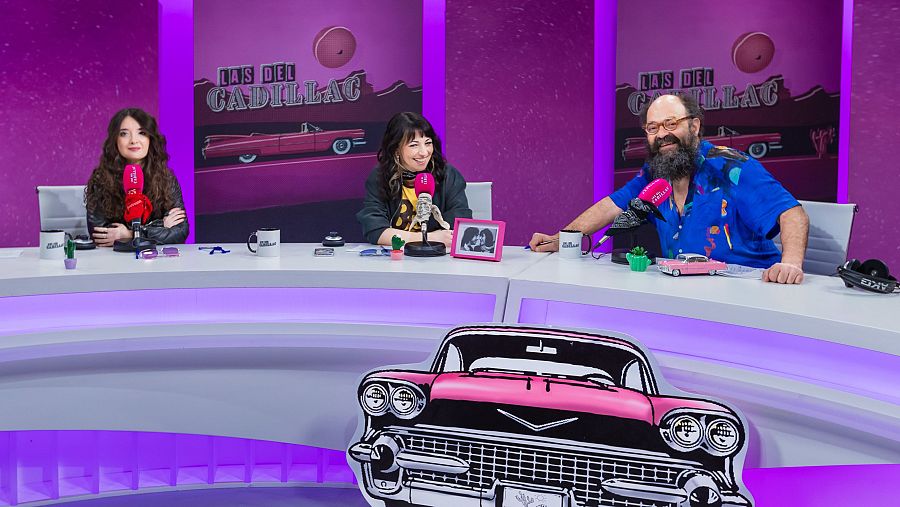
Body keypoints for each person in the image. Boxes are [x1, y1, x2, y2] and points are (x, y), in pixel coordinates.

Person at [530, 93, 809, 284]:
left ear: (695, 126)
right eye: (652, 128)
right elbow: (610, 206)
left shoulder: (731, 167)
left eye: (671, 124)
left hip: (746, 294)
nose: (662, 134)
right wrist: (562, 239)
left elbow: (792, 214)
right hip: (684, 295)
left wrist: (791, 265)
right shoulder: (654, 174)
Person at [357, 112, 472, 246]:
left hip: (439, 259)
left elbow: (459, 227)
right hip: (396, 260)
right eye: (414, 145)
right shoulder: (380, 176)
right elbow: (376, 231)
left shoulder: (447, 174)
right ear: (396, 149)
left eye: (428, 143)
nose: (424, 152)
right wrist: (428, 238)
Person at [85, 108, 188, 247]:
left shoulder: (166, 178)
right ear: (115, 140)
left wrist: (130, 234)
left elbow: (180, 232)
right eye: (124, 134)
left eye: (142, 133)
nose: (134, 140)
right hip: (115, 261)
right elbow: (101, 235)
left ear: (150, 139)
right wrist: (161, 226)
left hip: (157, 261)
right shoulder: (101, 179)